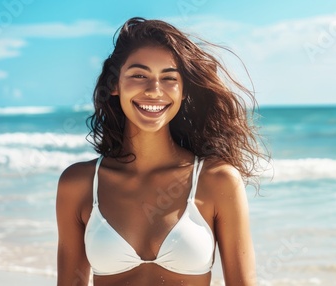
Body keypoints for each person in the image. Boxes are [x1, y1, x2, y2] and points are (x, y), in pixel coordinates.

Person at [56, 17, 266, 286]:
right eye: (139, 75)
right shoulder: (79, 183)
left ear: (184, 91)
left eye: (169, 78)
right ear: (114, 85)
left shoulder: (216, 180)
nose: (154, 91)